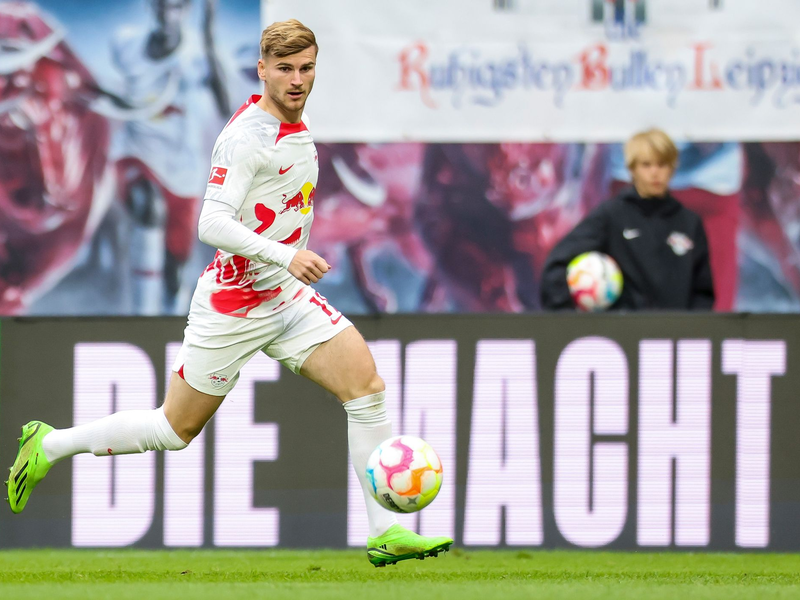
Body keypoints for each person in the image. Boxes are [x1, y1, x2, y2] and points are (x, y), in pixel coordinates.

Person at [5, 19, 452, 567]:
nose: (296, 80)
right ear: (262, 70)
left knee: (366, 388)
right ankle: (49, 443)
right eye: (284, 69)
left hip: (285, 297)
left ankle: (386, 532)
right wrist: (286, 255)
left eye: (306, 68)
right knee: (174, 429)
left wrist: (285, 265)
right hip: (234, 304)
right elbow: (211, 224)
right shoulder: (246, 139)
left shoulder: (297, 125)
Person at [110, 0, 231, 315]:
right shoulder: (126, 44)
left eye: (175, 7)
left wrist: (210, 38)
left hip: (182, 171)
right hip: (137, 154)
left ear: (187, 10)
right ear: (152, 7)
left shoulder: (198, 52)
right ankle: (142, 318)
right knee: (149, 207)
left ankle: (170, 318)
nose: (167, 14)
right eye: (162, 6)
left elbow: (225, 104)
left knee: (174, 269)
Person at [540, 129, 715, 310]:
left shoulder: (689, 222)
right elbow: (557, 263)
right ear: (632, 168)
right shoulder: (612, 215)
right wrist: (566, 315)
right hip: (623, 327)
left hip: (675, 327)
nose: (655, 173)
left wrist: (693, 324)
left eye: (662, 164)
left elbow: (703, 292)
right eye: (646, 165)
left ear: (673, 168)